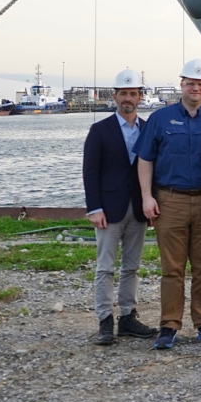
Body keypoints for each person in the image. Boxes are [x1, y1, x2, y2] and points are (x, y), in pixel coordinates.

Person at [137, 59, 201, 350]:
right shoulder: (160, 119)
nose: (196, 88)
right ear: (182, 85)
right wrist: (146, 197)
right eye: (191, 83)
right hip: (170, 200)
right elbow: (145, 159)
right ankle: (169, 325)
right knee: (172, 267)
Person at [82, 68, 157, 345]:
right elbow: (90, 171)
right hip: (109, 209)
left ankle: (128, 317)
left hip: (138, 207)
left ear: (140, 97)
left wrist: (151, 203)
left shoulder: (149, 129)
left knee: (132, 267)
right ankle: (104, 320)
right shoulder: (99, 130)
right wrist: (94, 208)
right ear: (114, 96)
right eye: (123, 93)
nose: (128, 98)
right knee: (105, 267)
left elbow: (155, 169)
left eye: (133, 93)